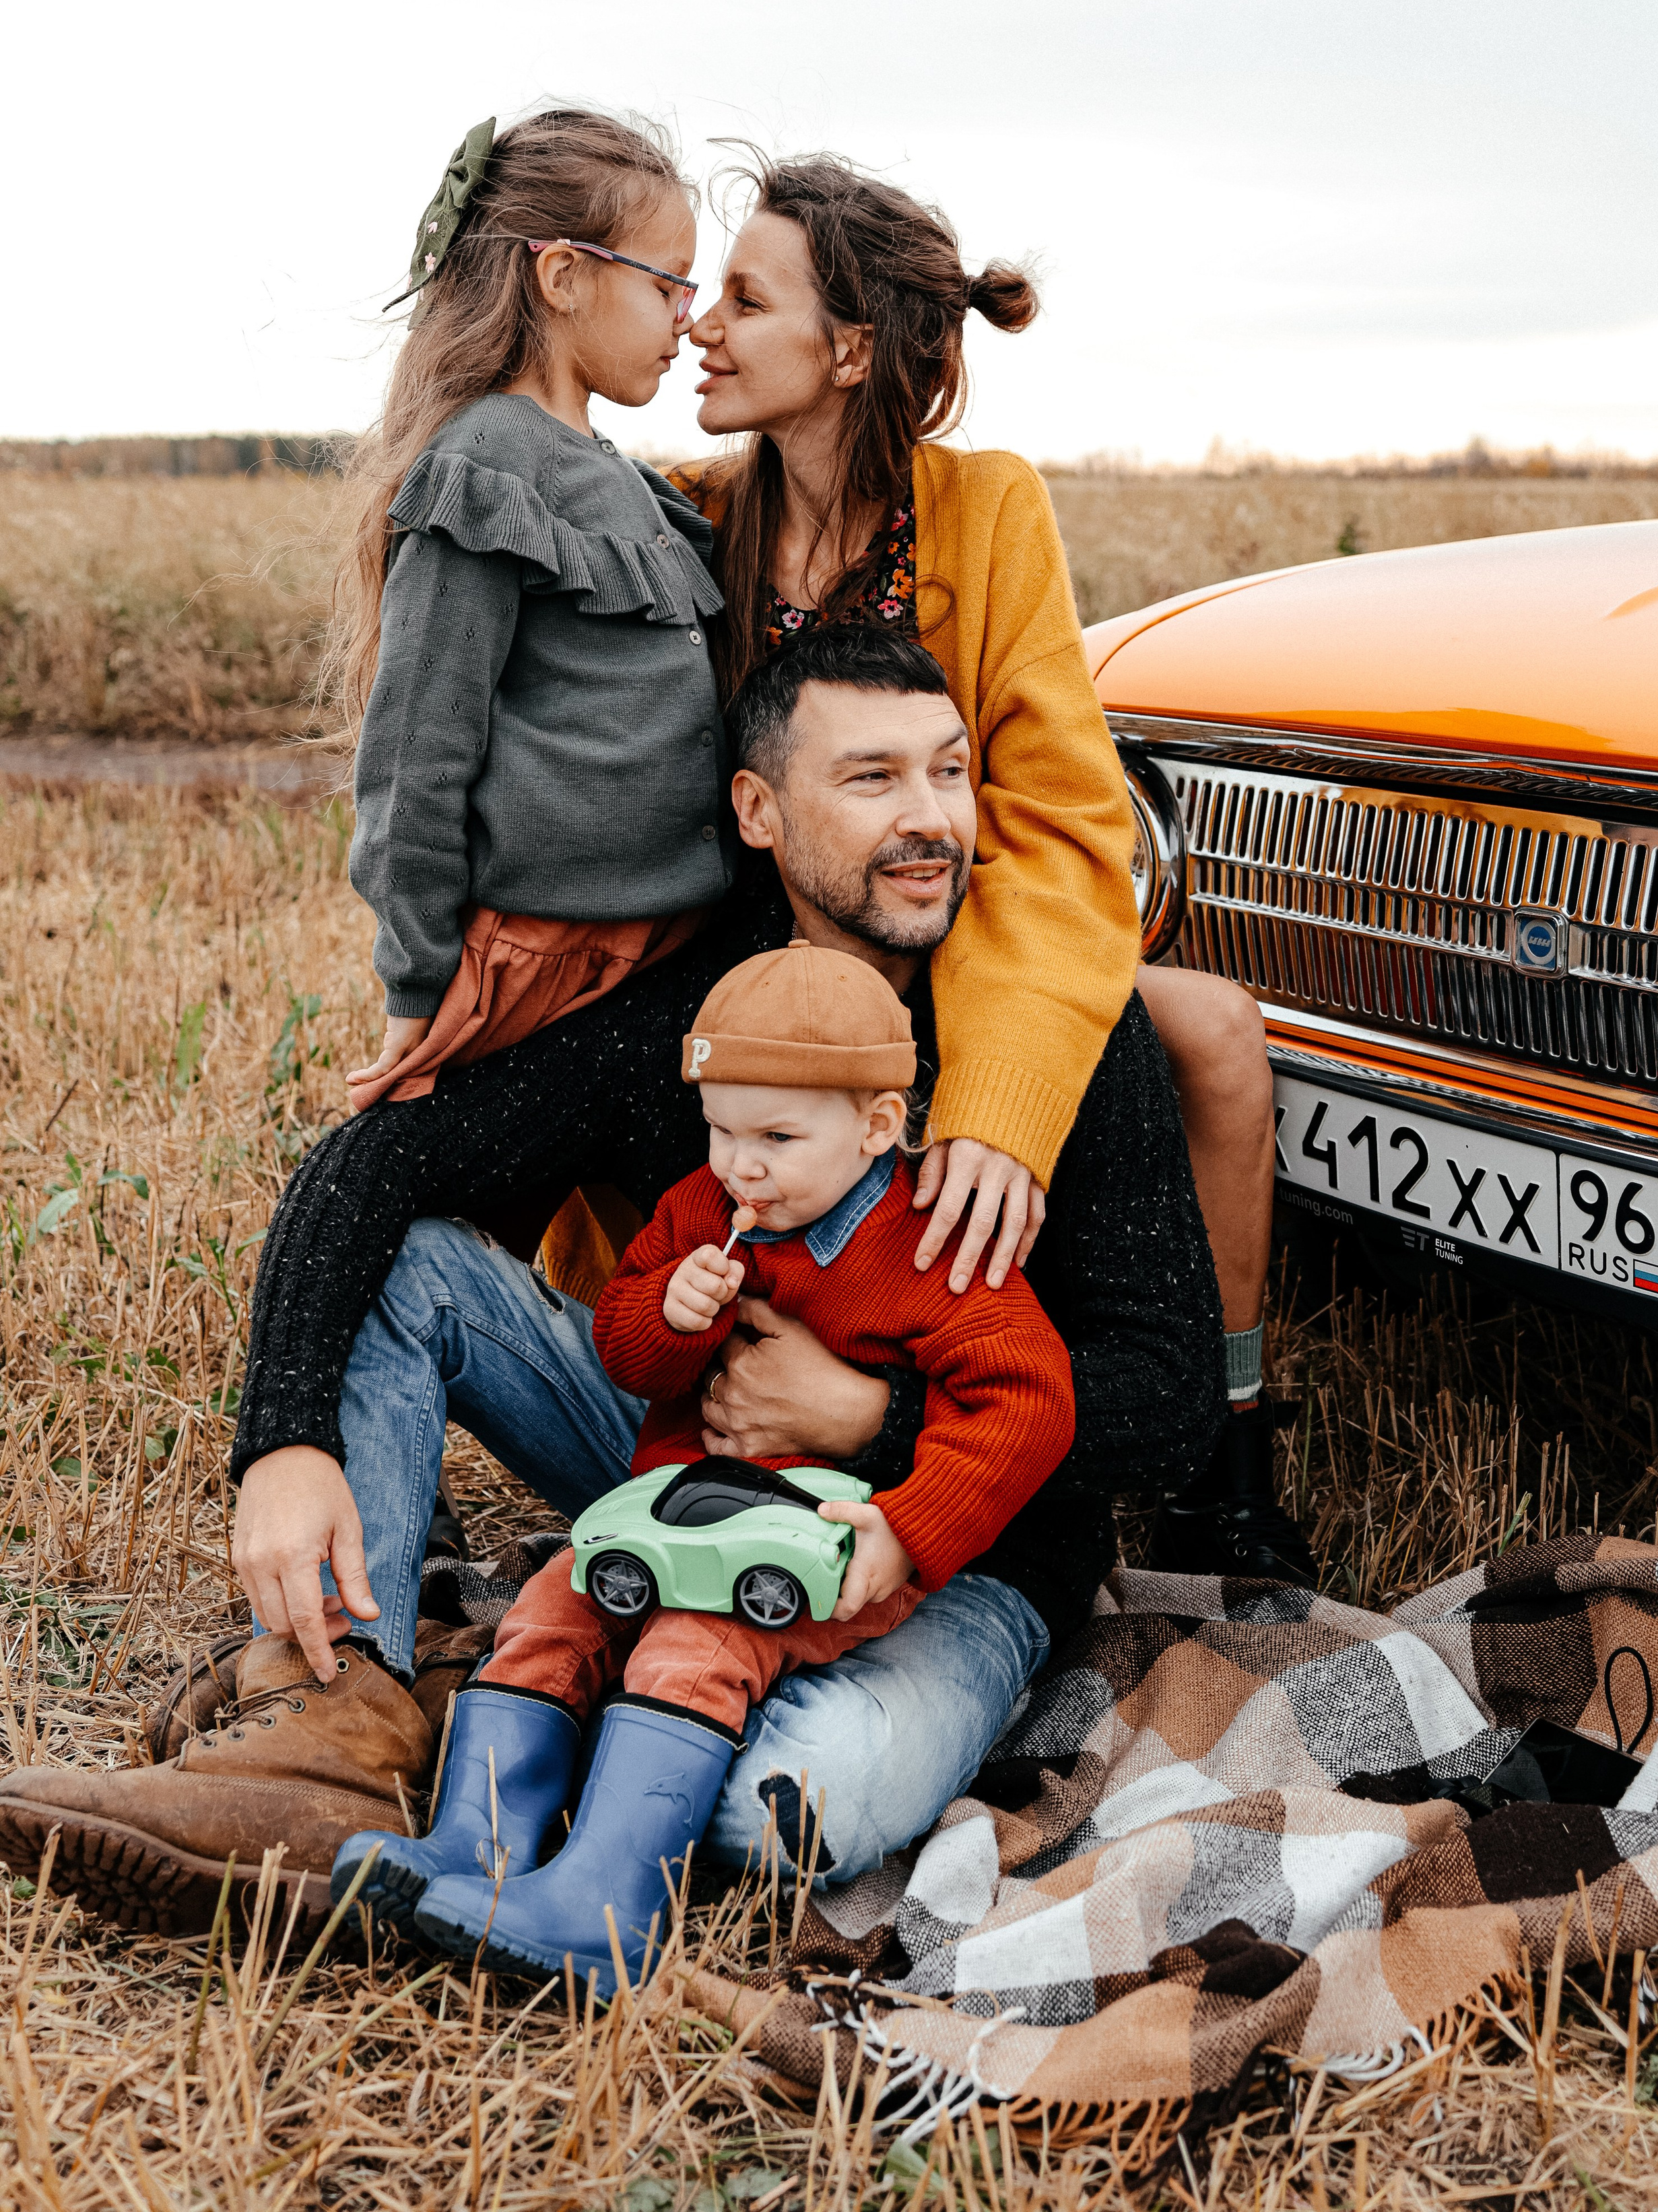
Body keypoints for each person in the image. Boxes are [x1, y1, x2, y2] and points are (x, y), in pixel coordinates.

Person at [0, 630, 1226, 1930]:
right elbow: (378, 1161)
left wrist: (874, 1421)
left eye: (948, 774)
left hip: (954, 1548)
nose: (929, 821)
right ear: (758, 809)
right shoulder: (700, 1017)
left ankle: (572, 1820)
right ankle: (340, 1729)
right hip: (687, 1466)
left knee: (773, 1810)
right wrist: (282, 1437)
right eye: (872, 779)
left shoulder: (1057, 1029)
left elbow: (1172, 1396)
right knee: (415, 1266)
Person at [665, 152, 1286, 1559]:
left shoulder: (984, 508)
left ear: (849, 351)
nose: (702, 324)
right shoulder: (694, 519)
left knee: (1213, 1036)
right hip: (772, 955)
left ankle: (1225, 1447)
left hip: (958, 944)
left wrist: (1000, 1099)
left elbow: (1061, 822)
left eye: (744, 299)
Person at [342, 939, 1075, 1988]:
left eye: (777, 1135)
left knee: (698, 1638)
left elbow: (1030, 1400)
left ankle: (605, 1900)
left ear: (877, 1126)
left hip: (829, 1539)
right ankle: (476, 1849)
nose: (742, 1163)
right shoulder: (705, 1209)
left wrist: (909, 1529)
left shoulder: (930, 1245)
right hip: (680, 1513)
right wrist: (669, 1314)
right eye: (723, 1127)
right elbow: (626, 1350)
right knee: (555, 1602)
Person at [332, 108, 730, 1113]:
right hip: (541, 954)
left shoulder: (620, 477)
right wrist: (417, 981)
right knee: (454, 1197)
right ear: (563, 278)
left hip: (657, 947)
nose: (689, 313)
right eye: (667, 282)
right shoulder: (489, 460)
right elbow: (418, 748)